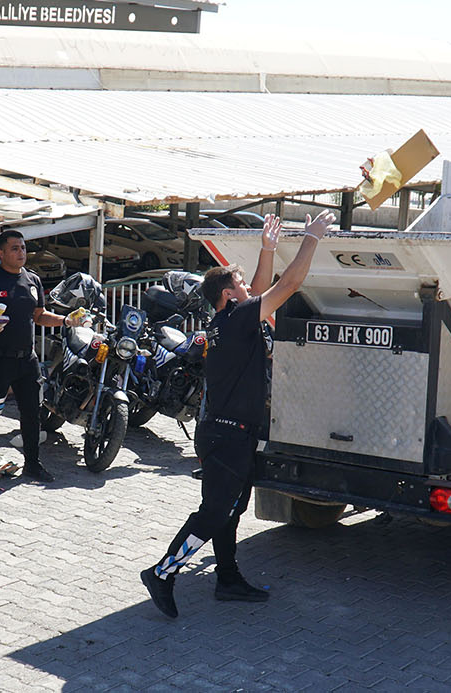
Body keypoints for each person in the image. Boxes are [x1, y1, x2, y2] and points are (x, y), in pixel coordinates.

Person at [140, 211, 336, 618]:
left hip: (232, 434)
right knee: (215, 511)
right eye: (241, 284)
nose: (249, 288)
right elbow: (289, 285)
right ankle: (162, 572)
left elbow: (259, 291)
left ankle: (227, 579)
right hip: (226, 436)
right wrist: (311, 238)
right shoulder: (236, 321)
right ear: (229, 295)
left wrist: (267, 249)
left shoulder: (229, 320)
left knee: (230, 509)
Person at [0, 230, 82, 483]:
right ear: (1, 253)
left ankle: (33, 464)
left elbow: (39, 316)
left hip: (26, 359)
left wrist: (66, 320)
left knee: (32, 412)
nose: (21, 253)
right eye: (15, 248)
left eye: (23, 248)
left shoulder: (33, 280)